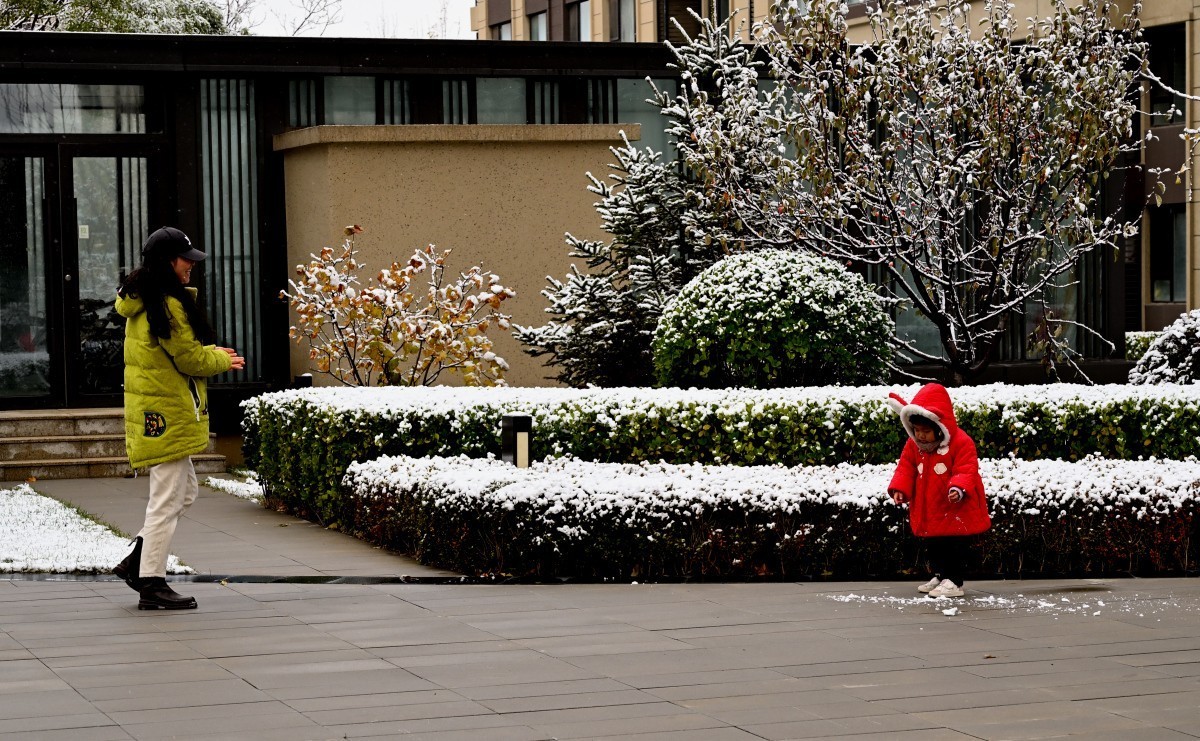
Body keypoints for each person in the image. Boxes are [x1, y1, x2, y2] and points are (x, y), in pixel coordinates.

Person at [111, 226, 244, 610]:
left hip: (162, 409)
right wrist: (221, 358)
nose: (192, 267)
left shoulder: (150, 298)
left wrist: (210, 351)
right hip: (165, 412)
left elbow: (180, 350)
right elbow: (187, 357)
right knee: (166, 500)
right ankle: (151, 582)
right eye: (187, 260)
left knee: (183, 492)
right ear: (170, 262)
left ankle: (136, 562)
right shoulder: (166, 304)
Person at [886, 383, 990, 599]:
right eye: (916, 431)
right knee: (934, 543)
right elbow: (906, 467)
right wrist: (901, 489)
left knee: (953, 545)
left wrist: (958, 487)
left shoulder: (961, 442)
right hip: (930, 506)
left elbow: (966, 468)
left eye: (926, 431)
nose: (920, 436)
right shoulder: (914, 445)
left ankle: (954, 580)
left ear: (939, 426)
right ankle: (941, 575)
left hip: (954, 506)